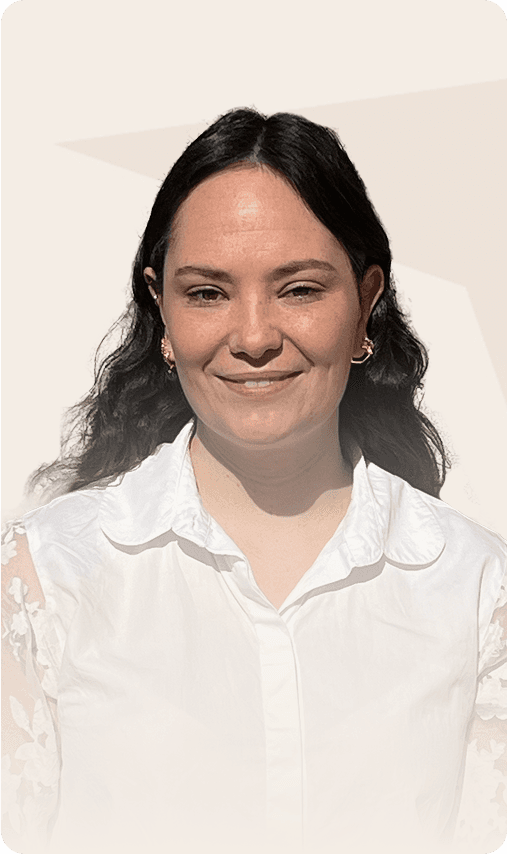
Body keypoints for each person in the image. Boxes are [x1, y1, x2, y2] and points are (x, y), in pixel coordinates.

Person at [2, 108, 506, 854]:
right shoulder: (47, 577)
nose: (254, 337)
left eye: (299, 289)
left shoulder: (475, 592)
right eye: (207, 292)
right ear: (161, 311)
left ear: (367, 301)